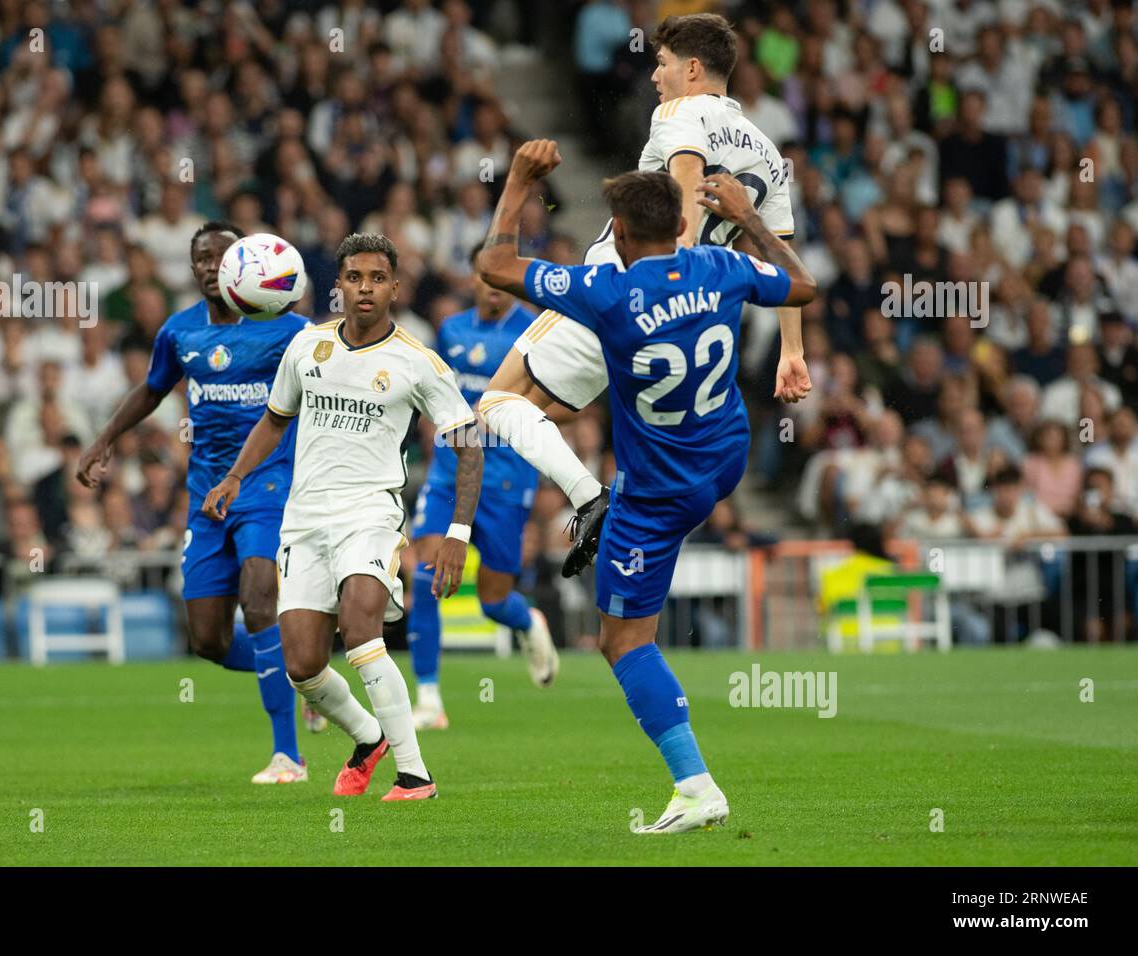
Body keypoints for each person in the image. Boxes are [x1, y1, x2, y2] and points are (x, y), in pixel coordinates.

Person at [478, 140, 815, 833]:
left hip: (656, 493)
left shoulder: (608, 290)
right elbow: (803, 287)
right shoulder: (721, 266)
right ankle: (591, 491)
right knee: (562, 406)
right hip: (725, 457)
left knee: (623, 642)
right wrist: (751, 218)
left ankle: (695, 786)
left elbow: (494, 266)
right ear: (683, 226)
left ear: (622, 237)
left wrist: (517, 182)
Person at [475, 13, 812, 577]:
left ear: (694, 68)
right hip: (691, 320)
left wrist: (671, 256)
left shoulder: (679, 113)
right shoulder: (770, 156)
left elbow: (683, 180)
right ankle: (602, 512)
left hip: (626, 293)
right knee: (539, 413)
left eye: (662, 63)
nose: (655, 77)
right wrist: (793, 351)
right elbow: (779, 250)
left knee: (496, 406)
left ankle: (589, 498)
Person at [203, 233, 483, 802]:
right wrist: (235, 476)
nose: (365, 288)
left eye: (377, 278)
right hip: (304, 521)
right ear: (338, 286)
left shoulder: (418, 362)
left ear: (395, 288)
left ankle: (414, 774)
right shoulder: (306, 348)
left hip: (370, 515)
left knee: (360, 632)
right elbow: (276, 420)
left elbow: (468, 441)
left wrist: (457, 533)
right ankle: (368, 737)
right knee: (303, 666)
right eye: (354, 277)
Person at [77, 221, 310, 785]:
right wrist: (105, 438)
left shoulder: (289, 331)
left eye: (221, 256)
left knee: (259, 599)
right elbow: (153, 388)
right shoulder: (181, 332)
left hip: (268, 486)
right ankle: (304, 678)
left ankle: (289, 756)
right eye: (200, 259)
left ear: (243, 263)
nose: (210, 266)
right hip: (207, 494)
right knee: (208, 639)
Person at [408, 241, 558, 730]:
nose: (493, 288)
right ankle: (428, 699)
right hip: (452, 470)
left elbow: (554, 398)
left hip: (507, 478)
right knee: (424, 577)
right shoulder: (450, 330)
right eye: (484, 278)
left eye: (501, 280)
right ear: (472, 278)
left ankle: (527, 620)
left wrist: (507, 416)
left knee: (494, 600)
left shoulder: (532, 333)